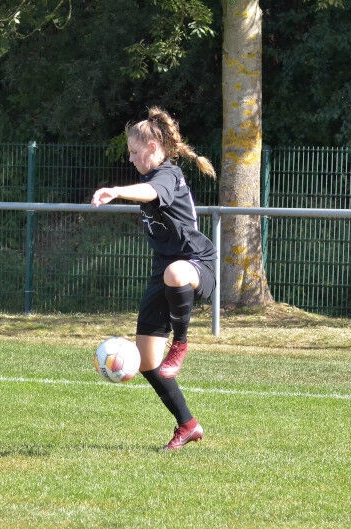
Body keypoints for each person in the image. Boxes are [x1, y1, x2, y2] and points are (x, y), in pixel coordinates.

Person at [91, 107, 217, 451]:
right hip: (162, 273)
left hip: (195, 263)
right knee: (147, 361)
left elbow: (150, 193)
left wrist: (116, 190)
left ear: (152, 146)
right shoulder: (151, 176)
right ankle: (187, 425)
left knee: (174, 271)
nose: (131, 158)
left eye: (134, 152)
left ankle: (182, 343)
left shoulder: (168, 175)